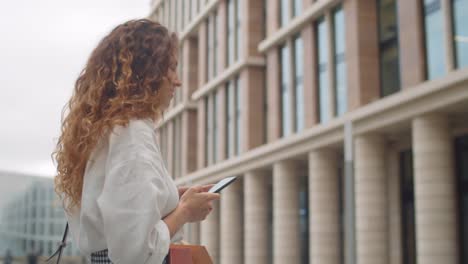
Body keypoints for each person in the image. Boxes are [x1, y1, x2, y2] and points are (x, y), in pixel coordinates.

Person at [52, 19, 220, 264]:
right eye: (171, 68)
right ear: (147, 71)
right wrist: (185, 211)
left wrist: (170, 197)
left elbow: (116, 214)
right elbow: (134, 253)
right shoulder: (132, 131)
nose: (177, 80)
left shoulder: (104, 129)